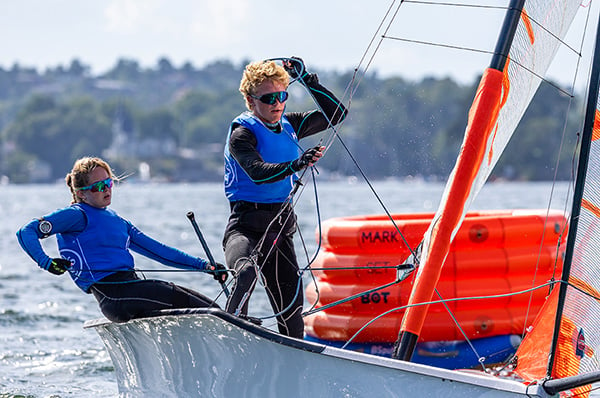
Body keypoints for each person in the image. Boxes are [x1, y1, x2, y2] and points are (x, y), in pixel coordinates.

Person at [17, 156, 227, 323]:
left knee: (212, 308)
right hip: (114, 296)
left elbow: (160, 251)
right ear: (81, 193)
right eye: (98, 187)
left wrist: (205, 266)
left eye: (109, 183)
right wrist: (46, 262)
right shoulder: (76, 215)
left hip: (132, 288)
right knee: (199, 307)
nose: (107, 189)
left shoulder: (118, 221)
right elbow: (26, 231)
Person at [223, 57, 347, 338]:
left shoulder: (290, 125)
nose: (277, 104)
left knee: (292, 315)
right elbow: (257, 172)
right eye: (269, 98)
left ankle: (290, 360)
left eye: (282, 96)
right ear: (250, 100)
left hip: (280, 228)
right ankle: (230, 333)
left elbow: (336, 114)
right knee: (244, 275)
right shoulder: (242, 134)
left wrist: (307, 80)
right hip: (245, 226)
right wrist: (297, 164)